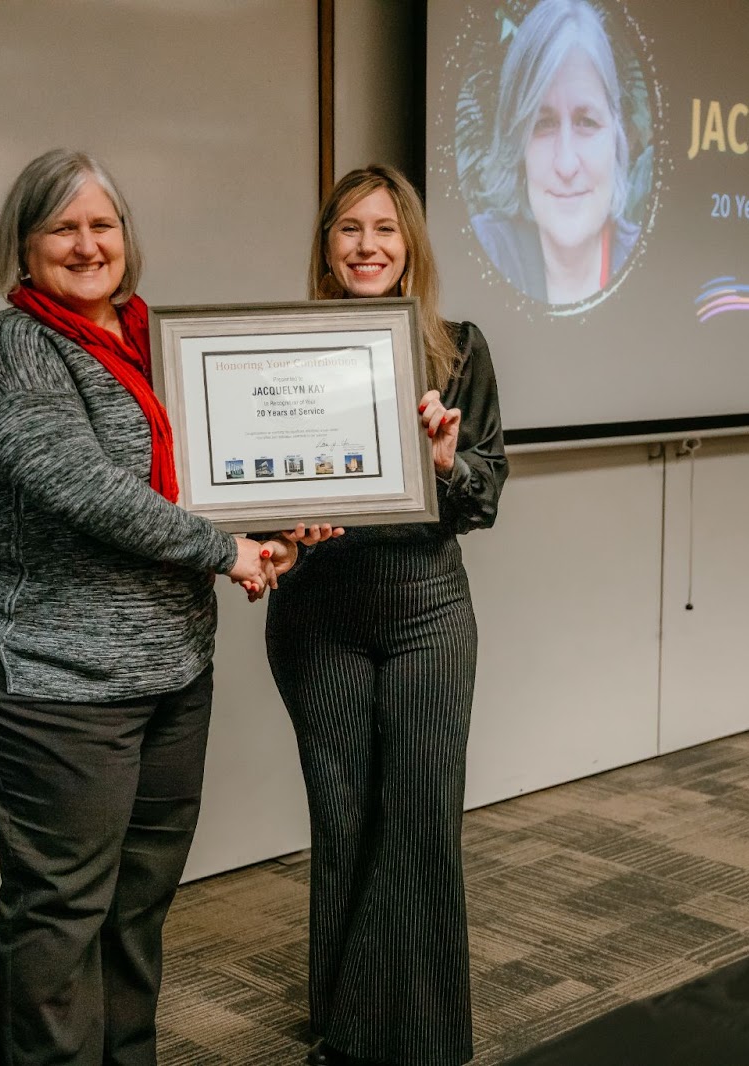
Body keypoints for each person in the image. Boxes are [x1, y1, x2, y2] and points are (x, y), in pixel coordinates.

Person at [0, 148, 294, 1066]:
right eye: (62, 226)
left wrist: (285, 516)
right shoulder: (15, 346)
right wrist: (227, 550)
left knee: (139, 902)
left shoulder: (159, 340)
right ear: (23, 248)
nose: (87, 243)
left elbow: (216, 470)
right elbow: (86, 488)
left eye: (103, 224)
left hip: (173, 663)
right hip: (55, 673)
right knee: (62, 910)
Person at [265, 165, 507, 1066]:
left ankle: (413, 1040)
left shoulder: (462, 351)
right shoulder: (281, 350)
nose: (367, 246)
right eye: (349, 230)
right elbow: (256, 491)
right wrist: (288, 523)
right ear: (326, 248)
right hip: (317, 613)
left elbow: (484, 498)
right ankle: (342, 1018)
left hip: (426, 612)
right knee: (345, 821)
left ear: (411, 245)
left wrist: (447, 463)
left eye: (385, 229)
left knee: (420, 817)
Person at [472, 0, 639, 305]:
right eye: (543, 124)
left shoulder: (647, 261)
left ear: (616, 133)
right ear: (517, 144)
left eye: (587, 122)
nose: (565, 164)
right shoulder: (483, 249)